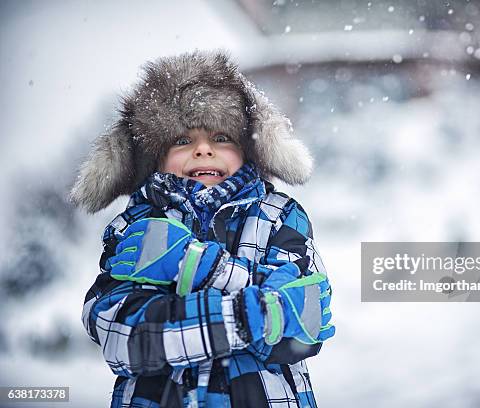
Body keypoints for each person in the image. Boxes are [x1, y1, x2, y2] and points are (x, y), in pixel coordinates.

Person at [71, 50, 335, 408]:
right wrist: (254, 316)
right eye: (182, 140)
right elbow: (123, 339)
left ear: (249, 150)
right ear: (155, 157)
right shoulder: (136, 227)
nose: (203, 151)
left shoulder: (280, 217)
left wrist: (195, 266)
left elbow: (304, 324)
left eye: (222, 137)